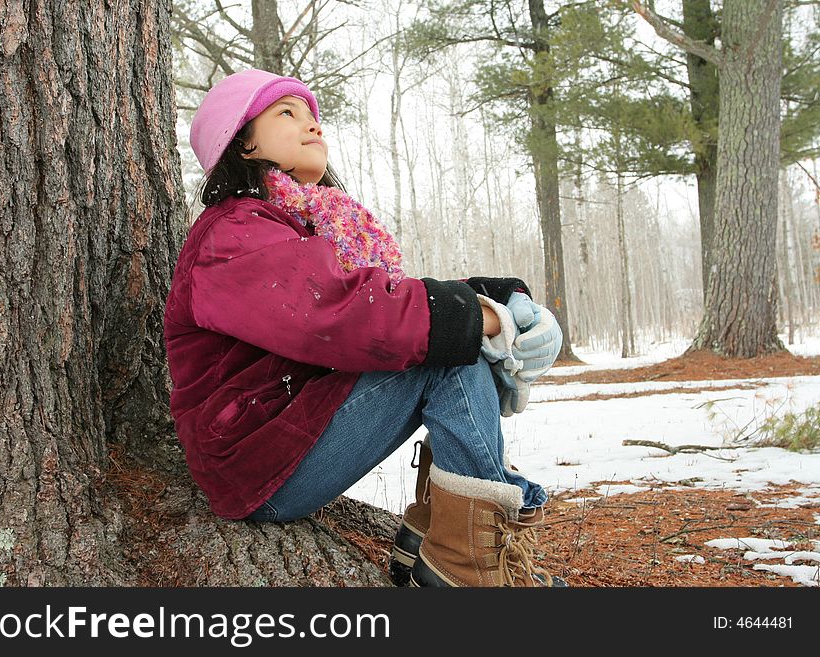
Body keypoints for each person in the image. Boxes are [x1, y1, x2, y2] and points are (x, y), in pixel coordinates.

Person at [163, 69, 564, 588]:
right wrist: (479, 317)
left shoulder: (305, 226)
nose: (313, 127)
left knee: (446, 337)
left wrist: (500, 296)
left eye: (314, 117)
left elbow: (383, 296)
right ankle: (467, 571)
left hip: (282, 437)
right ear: (242, 143)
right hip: (254, 461)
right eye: (288, 113)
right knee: (446, 353)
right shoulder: (235, 233)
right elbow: (346, 313)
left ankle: (434, 542)